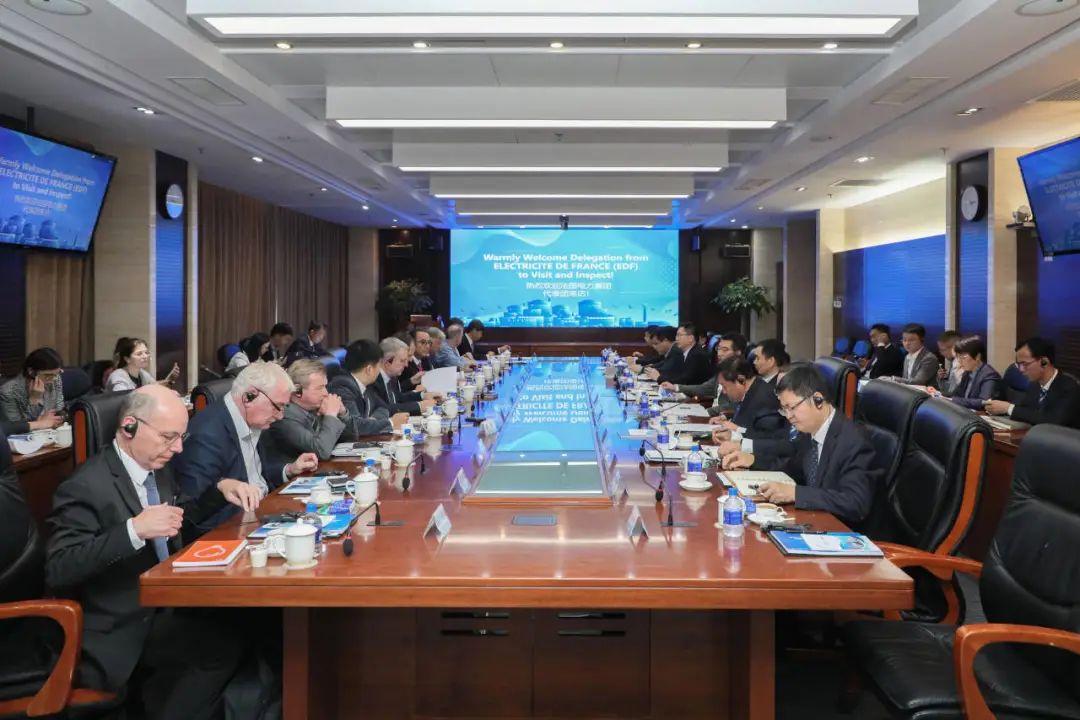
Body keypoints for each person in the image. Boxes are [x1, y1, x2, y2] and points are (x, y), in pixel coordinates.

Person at [45, 385, 262, 719]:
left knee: (250, 623)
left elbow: (179, 517)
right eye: (168, 437)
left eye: (181, 438)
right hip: (123, 622)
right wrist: (133, 530)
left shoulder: (156, 469)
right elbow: (59, 568)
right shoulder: (85, 486)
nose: (178, 448)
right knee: (220, 652)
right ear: (129, 427)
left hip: (166, 600)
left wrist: (220, 489)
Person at [721, 365, 880, 531]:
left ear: (818, 400)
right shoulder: (809, 432)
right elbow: (793, 468)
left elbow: (855, 503)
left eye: (792, 408)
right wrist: (753, 461)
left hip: (844, 533)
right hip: (815, 521)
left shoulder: (854, 441)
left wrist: (795, 494)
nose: (789, 416)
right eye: (784, 409)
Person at [173, 362, 319, 535]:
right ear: (249, 396)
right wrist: (221, 488)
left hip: (263, 512)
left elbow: (255, 475)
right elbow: (192, 512)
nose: (280, 416)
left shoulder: (254, 418)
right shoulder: (206, 435)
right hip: (231, 530)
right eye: (278, 406)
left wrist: (289, 469)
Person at [263, 359, 348, 465]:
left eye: (325, 387)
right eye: (319, 388)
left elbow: (349, 438)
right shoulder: (284, 417)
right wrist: (331, 415)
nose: (326, 393)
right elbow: (321, 451)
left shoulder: (315, 407)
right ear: (297, 391)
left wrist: (343, 413)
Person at [985, 336, 1080, 428]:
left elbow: (1053, 420)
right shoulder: (1034, 385)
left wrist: (1009, 408)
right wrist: (998, 408)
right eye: (1019, 364)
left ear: (1044, 362)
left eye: (1025, 364)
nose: (1021, 370)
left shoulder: (1070, 388)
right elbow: (1025, 410)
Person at [329, 339, 410, 440]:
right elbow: (356, 426)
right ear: (369, 369)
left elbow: (383, 407)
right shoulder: (342, 387)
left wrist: (371, 422)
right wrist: (391, 423)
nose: (380, 370)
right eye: (379, 366)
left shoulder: (365, 384)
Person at [709, 357, 789, 448]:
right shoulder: (752, 389)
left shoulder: (764, 399)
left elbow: (768, 437)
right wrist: (726, 417)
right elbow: (744, 413)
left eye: (724, 386)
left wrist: (737, 429)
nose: (724, 391)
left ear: (741, 380)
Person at [662, 332, 747, 410]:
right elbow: (705, 388)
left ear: (738, 352)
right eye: (718, 349)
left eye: (725, 350)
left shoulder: (742, 374)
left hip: (721, 417)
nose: (719, 354)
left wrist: (707, 412)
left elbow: (735, 406)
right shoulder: (722, 369)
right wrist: (676, 387)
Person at [0, 347, 65, 430]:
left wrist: (55, 419)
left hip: (51, 431)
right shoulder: (8, 392)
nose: (52, 381)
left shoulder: (55, 378)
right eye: (47, 375)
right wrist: (35, 400)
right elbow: (17, 428)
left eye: (56, 374)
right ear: (31, 372)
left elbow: (59, 411)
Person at [370, 337, 438, 416]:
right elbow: (384, 408)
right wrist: (419, 406)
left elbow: (399, 398)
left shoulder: (393, 378)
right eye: (402, 361)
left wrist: (422, 396)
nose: (406, 365)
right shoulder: (373, 380)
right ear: (387, 363)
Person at [940, 335, 1003, 409]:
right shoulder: (967, 372)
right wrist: (938, 394)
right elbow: (956, 394)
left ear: (977, 357)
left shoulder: (989, 375)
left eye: (963, 357)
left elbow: (984, 402)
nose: (959, 361)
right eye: (958, 357)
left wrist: (952, 400)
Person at [646, 323, 713, 386]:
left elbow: (684, 381)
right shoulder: (688, 352)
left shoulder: (696, 355)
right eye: (676, 335)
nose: (676, 339)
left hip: (695, 393)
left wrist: (659, 378)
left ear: (690, 338)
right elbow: (677, 376)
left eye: (679, 335)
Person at [106, 337, 180, 392]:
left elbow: (154, 386)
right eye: (139, 354)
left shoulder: (142, 373)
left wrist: (169, 380)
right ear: (127, 359)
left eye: (146, 353)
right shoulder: (118, 376)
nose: (145, 356)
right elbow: (123, 400)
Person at [936, 330, 963, 395]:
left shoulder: (963, 365)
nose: (941, 353)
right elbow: (949, 390)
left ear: (954, 348)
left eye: (943, 350)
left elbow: (953, 393)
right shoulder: (953, 362)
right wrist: (942, 379)